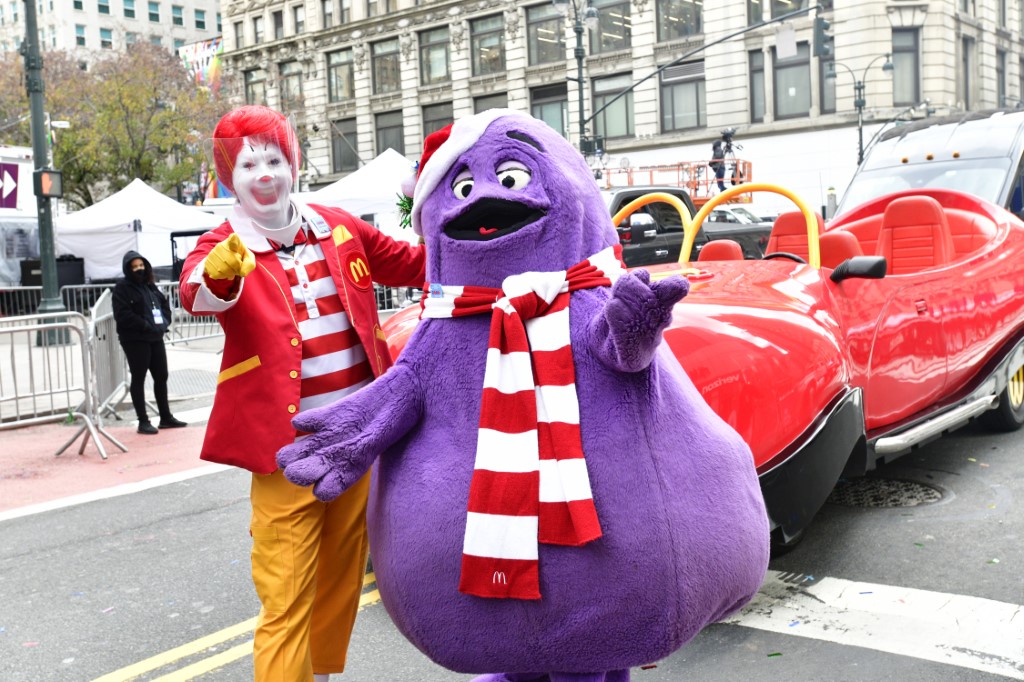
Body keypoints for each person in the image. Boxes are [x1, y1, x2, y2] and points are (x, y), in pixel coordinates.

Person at [178, 105, 426, 682]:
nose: (264, 173)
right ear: (229, 177)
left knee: (340, 577)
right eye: (248, 165)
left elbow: (414, 265)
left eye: (274, 159)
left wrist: (463, 223)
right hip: (287, 448)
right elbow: (196, 293)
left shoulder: (337, 226)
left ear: (292, 164)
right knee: (285, 590)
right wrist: (218, 273)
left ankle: (316, 673)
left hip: (358, 435)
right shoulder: (224, 244)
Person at [112, 250, 186, 434]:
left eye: (141, 265)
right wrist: (145, 325)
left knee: (161, 376)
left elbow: (163, 305)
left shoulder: (150, 286)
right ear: (128, 269)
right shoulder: (122, 288)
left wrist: (164, 323)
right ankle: (143, 420)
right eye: (135, 267)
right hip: (135, 339)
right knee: (139, 378)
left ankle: (165, 417)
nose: (139, 269)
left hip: (155, 336)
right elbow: (122, 315)